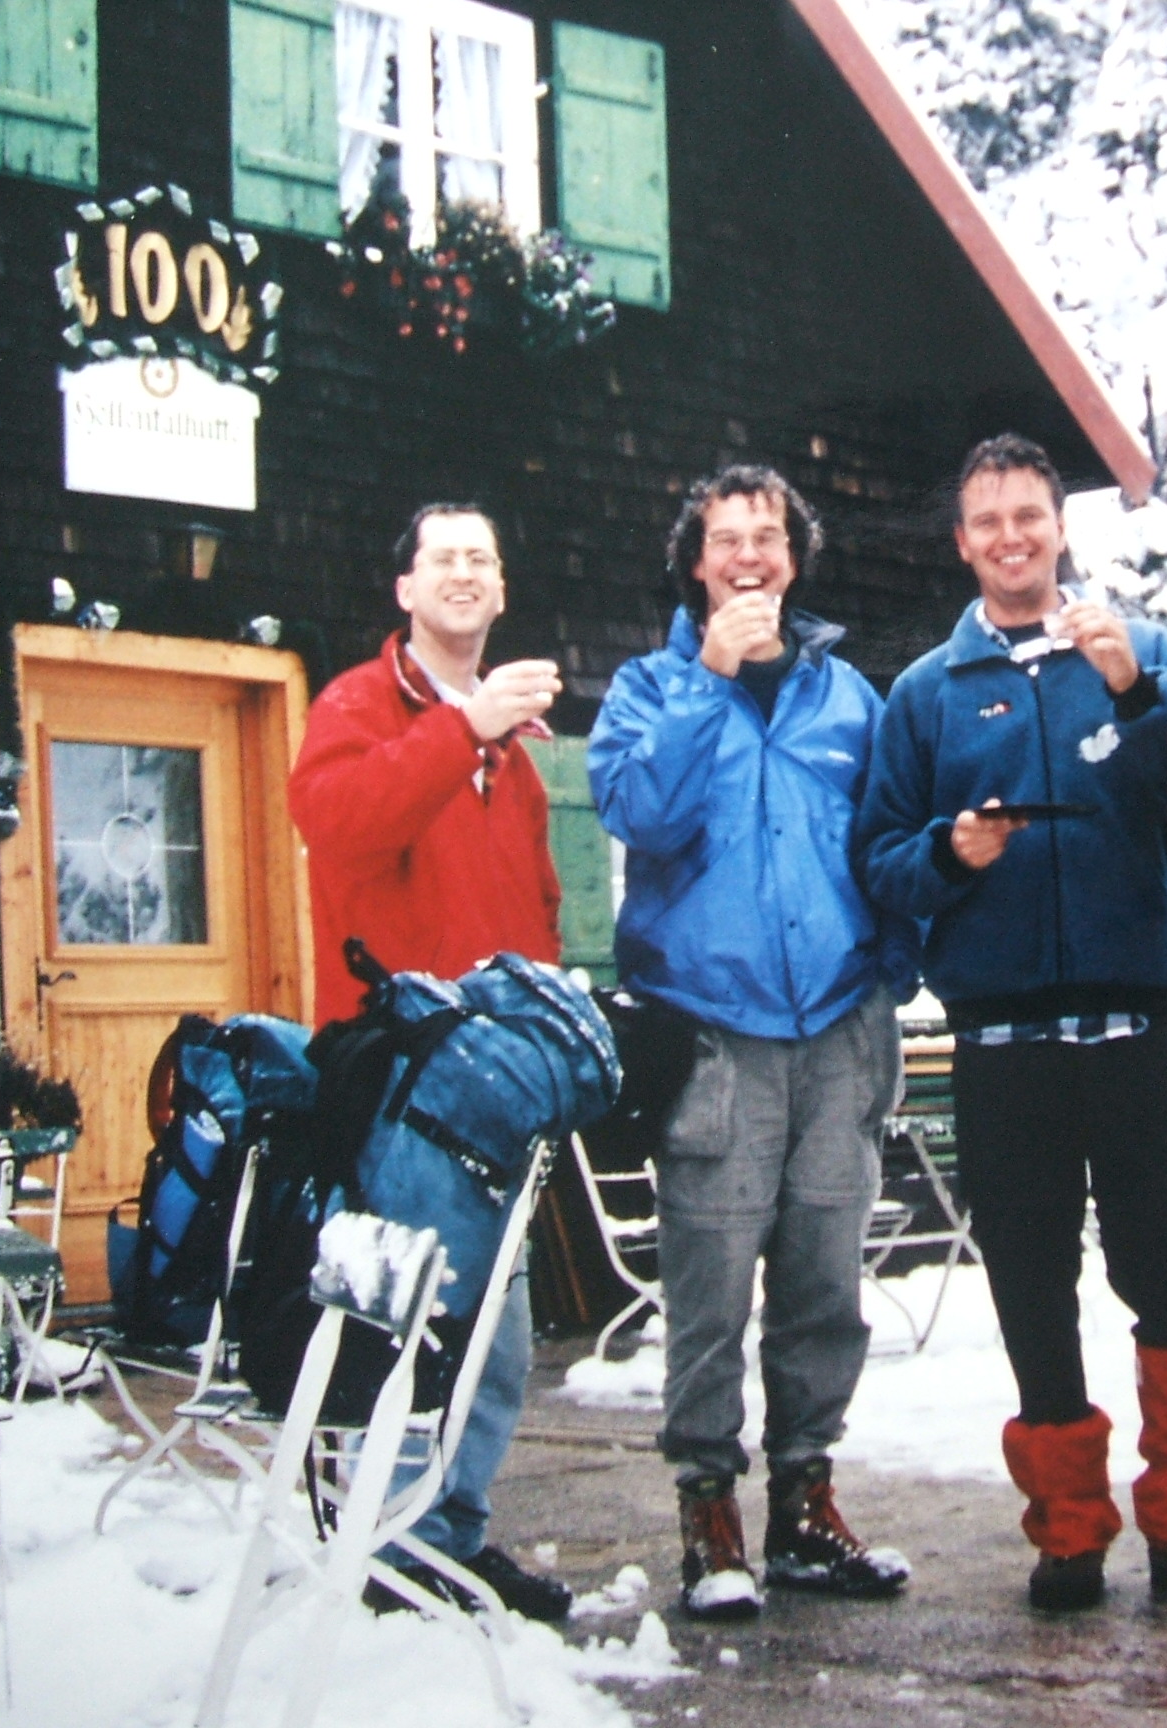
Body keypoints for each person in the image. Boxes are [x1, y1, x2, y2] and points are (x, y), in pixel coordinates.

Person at [858, 433, 1167, 1614]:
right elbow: (880, 864)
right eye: (987, 521)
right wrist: (949, 850)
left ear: (1059, 526)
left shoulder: (1140, 651)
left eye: (1029, 516)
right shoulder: (924, 694)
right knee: (1032, 1286)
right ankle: (1070, 1529)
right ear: (963, 542)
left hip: (1139, 1030)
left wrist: (1144, 697)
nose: (1010, 538)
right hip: (1002, 1048)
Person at [588, 465, 917, 1622]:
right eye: (725, 538)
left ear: (793, 557)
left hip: (838, 1031)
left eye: (766, 537)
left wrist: (893, 975)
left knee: (826, 1284)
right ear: (695, 562)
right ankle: (708, 1514)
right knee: (712, 1288)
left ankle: (809, 1507)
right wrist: (709, 680)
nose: (747, 556)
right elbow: (639, 814)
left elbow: (889, 845)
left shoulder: (849, 701)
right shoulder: (646, 687)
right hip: (714, 1039)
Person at [288, 502, 571, 1622]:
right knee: (396, 1326)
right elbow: (339, 823)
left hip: (492, 1096)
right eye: (442, 558)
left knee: (494, 1335)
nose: (463, 574)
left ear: (501, 592)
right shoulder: (355, 706)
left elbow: (538, 917)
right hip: (392, 1091)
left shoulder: (524, 762)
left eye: (482, 560)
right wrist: (464, 731)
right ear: (404, 589)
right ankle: (382, 1545)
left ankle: (446, 1536)